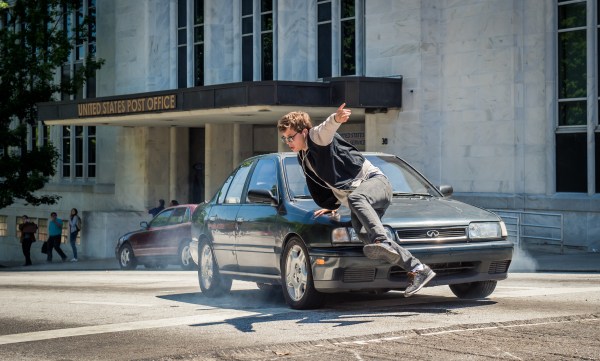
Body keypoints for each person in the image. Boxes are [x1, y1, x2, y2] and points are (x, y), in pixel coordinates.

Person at [277, 103, 436, 297]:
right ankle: (418, 269)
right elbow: (329, 182)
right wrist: (332, 205)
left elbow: (327, 127)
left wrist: (337, 119)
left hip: (376, 183)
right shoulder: (304, 156)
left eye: (291, 137)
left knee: (359, 203)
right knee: (364, 234)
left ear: (304, 131)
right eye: (285, 138)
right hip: (360, 198)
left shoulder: (316, 137)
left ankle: (381, 239)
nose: (288, 142)